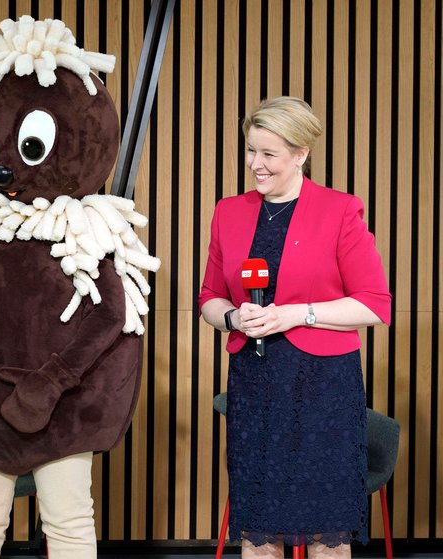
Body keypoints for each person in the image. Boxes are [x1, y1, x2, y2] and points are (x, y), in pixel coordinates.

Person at [198, 96, 391, 559]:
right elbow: (208, 298)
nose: (255, 165)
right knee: (258, 528)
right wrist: (232, 317)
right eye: (250, 151)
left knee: (326, 531)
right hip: (255, 387)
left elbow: (374, 304)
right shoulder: (229, 211)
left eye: (269, 154)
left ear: (301, 154)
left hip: (322, 388)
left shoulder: (340, 210)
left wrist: (295, 314)